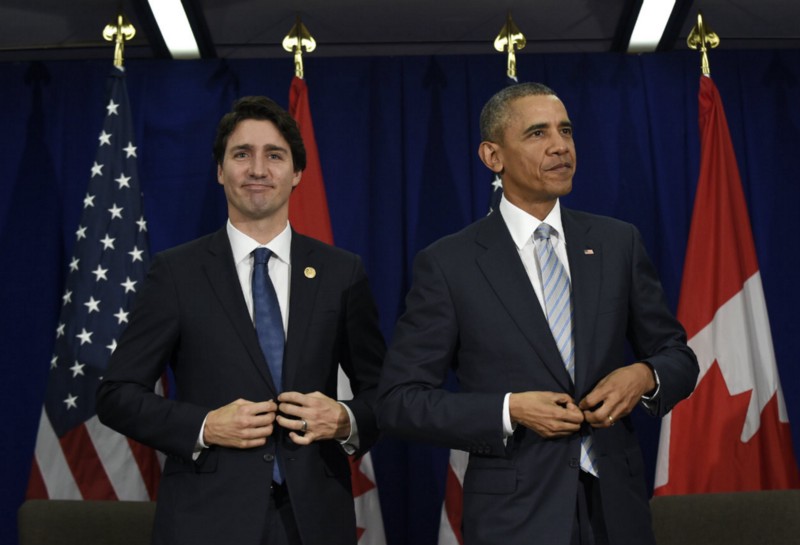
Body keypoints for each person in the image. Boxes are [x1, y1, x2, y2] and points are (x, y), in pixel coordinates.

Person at [377, 82, 698, 545]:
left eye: (565, 131)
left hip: (617, 508)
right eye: (537, 134)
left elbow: (677, 355)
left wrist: (645, 376)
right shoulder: (450, 263)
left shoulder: (617, 242)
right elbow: (399, 402)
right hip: (515, 517)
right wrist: (510, 410)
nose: (560, 146)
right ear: (493, 156)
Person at [97, 96, 385, 545]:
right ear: (219, 171)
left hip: (314, 521)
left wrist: (345, 419)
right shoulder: (176, 272)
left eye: (274, 155)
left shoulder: (341, 272)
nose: (257, 169)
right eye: (241, 154)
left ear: (296, 173)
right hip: (206, 519)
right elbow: (116, 395)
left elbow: (384, 394)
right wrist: (204, 426)